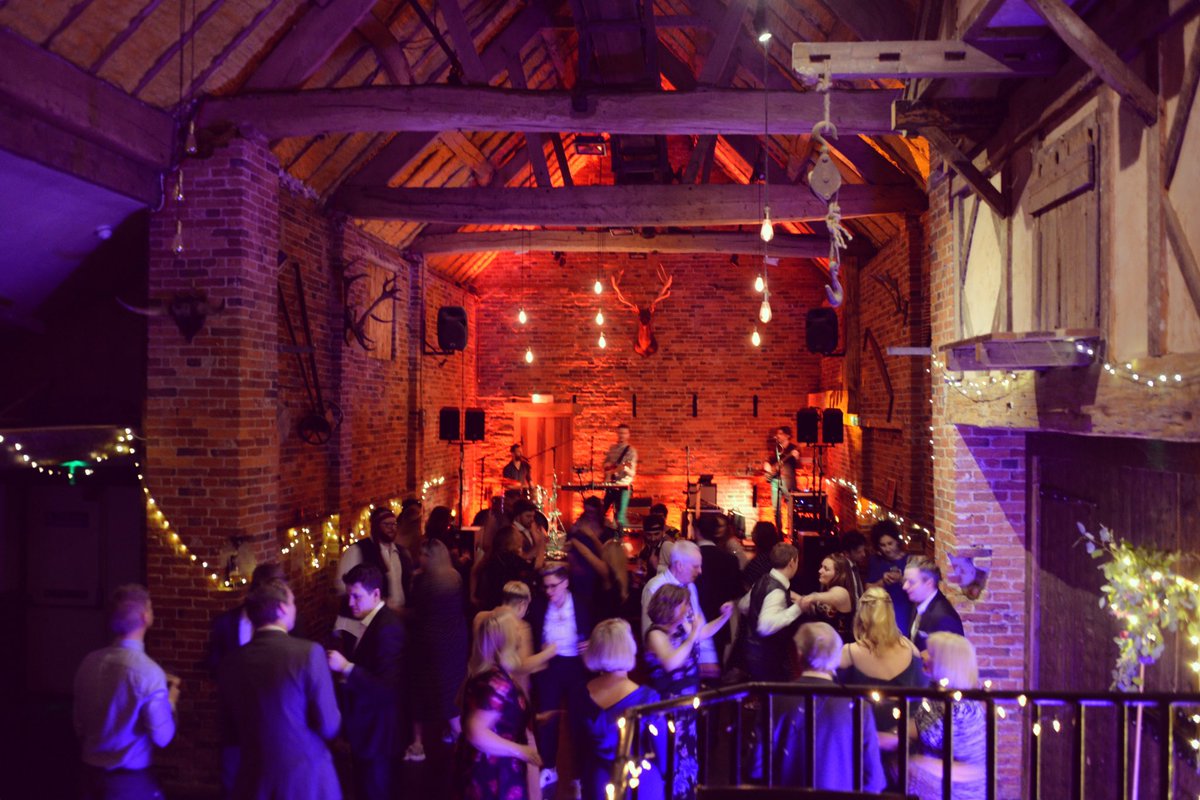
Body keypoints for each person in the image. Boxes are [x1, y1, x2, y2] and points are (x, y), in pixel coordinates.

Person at [219, 579, 341, 799]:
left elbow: (231, 727)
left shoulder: (231, 662)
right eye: (293, 602)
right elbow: (329, 725)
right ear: (283, 608)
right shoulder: (308, 654)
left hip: (254, 778)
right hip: (305, 778)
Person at [74, 584, 180, 800]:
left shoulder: (89, 662)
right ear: (144, 617)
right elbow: (163, 737)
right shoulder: (149, 672)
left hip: (88, 774)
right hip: (129, 780)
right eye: (151, 609)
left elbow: (79, 725)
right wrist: (171, 700)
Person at [772, 622, 885, 792]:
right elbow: (874, 780)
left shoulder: (776, 699)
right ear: (836, 657)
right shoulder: (859, 707)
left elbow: (757, 768)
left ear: (799, 654)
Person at [204, 562, 285, 797]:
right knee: (233, 784)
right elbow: (214, 663)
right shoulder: (225, 623)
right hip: (235, 723)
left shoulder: (291, 624)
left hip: (274, 722)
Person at [326, 564, 407, 800]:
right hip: (368, 732)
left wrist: (346, 668)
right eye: (349, 595)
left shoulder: (388, 628)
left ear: (376, 595)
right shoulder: (369, 621)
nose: (351, 603)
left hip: (380, 735)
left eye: (356, 596)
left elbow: (387, 688)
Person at [643, 584, 730, 800]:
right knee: (670, 757)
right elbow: (671, 662)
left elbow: (703, 632)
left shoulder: (681, 627)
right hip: (667, 708)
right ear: (669, 607)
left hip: (686, 706)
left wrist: (725, 618)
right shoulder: (655, 634)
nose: (687, 610)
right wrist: (691, 636)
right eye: (684, 605)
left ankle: (685, 794)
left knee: (687, 757)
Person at [568, 619, 665, 800]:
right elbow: (664, 754)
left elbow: (578, 747)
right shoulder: (647, 698)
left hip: (597, 781)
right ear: (629, 648)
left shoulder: (578, 693)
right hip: (641, 781)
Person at [458, 613, 542, 800]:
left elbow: (498, 714)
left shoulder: (482, 672)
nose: (520, 635)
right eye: (516, 631)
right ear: (506, 641)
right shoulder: (498, 682)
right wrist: (521, 750)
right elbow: (476, 732)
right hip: (495, 772)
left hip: (482, 767)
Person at [528, 564, 596, 788]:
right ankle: (549, 767)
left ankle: (578, 775)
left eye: (553, 586)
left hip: (576, 666)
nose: (549, 591)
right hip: (550, 667)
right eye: (545, 587)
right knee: (547, 718)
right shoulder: (538, 607)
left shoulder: (582, 603)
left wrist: (589, 646)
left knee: (578, 721)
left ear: (565, 582)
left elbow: (595, 632)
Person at [407, 539, 469, 762]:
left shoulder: (425, 582)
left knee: (420, 691)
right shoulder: (454, 577)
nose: (419, 558)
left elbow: (417, 614)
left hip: (430, 644)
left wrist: (392, 609)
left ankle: (418, 744)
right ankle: (457, 735)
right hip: (455, 640)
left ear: (429, 557)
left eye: (422, 555)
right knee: (451, 689)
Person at [905, 633, 987, 799]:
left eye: (931, 653)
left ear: (947, 664)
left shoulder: (964, 711)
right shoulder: (937, 698)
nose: (923, 654)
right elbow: (919, 727)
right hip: (930, 791)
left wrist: (918, 763)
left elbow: (972, 771)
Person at [839, 587, 926, 734]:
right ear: (891, 614)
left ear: (861, 616)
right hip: (902, 737)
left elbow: (833, 701)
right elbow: (921, 700)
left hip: (861, 738)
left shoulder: (848, 653)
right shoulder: (911, 649)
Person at [641, 541, 730, 679]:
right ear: (679, 565)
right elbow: (649, 635)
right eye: (696, 566)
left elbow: (699, 629)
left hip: (687, 669)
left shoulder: (690, 587)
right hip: (667, 674)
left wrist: (724, 617)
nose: (700, 571)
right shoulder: (655, 587)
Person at [738, 543, 804, 681]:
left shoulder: (762, 580)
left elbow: (743, 606)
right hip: (768, 657)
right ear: (792, 562)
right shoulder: (777, 591)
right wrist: (798, 608)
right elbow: (765, 627)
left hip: (752, 652)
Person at [338, 507, 412, 616]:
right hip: (371, 619)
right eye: (386, 525)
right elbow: (343, 586)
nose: (392, 528)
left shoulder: (401, 552)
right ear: (376, 526)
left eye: (394, 524)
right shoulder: (358, 550)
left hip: (398, 618)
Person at [694, 514, 742, 668]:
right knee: (717, 671)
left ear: (697, 531)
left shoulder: (690, 558)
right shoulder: (730, 560)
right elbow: (735, 592)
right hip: (719, 622)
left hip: (693, 622)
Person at [903, 556, 965, 651]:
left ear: (929, 583)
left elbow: (950, 660)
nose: (905, 586)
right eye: (904, 581)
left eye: (911, 582)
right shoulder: (918, 602)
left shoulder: (945, 618)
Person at [866, 520, 913, 635]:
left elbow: (917, 587)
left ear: (897, 541)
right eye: (883, 545)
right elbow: (868, 589)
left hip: (904, 609)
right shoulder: (876, 561)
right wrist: (883, 581)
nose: (887, 549)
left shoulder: (908, 560)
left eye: (890, 543)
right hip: (881, 610)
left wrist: (901, 579)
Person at [798, 553, 857, 644]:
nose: (820, 571)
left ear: (839, 574)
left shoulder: (842, 592)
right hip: (826, 646)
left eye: (826, 569)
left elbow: (828, 596)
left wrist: (812, 597)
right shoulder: (827, 590)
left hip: (840, 649)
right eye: (821, 567)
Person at [475, 525, 536, 611]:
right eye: (518, 533)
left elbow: (476, 571)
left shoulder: (495, 555)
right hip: (505, 601)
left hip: (491, 601)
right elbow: (535, 566)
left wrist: (473, 595)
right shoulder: (509, 557)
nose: (521, 535)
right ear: (511, 540)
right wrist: (540, 542)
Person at [763, 426, 800, 533]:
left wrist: (796, 457)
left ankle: (792, 532)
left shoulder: (793, 448)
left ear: (787, 435)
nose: (777, 436)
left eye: (780, 433)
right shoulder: (776, 448)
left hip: (788, 482)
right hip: (775, 481)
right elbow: (768, 460)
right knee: (776, 510)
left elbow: (798, 462)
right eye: (777, 434)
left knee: (791, 508)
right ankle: (779, 532)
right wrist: (767, 466)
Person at [601, 423, 637, 529]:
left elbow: (632, 473)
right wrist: (608, 469)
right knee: (602, 511)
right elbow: (605, 465)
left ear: (628, 435)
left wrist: (625, 468)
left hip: (623, 486)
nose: (622, 435)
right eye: (620, 433)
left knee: (620, 515)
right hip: (611, 485)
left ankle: (620, 538)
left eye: (624, 433)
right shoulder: (612, 449)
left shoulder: (631, 451)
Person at [741, 521, 780, 593]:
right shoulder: (774, 555)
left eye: (754, 531)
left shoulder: (759, 561)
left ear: (761, 535)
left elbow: (747, 584)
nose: (751, 533)